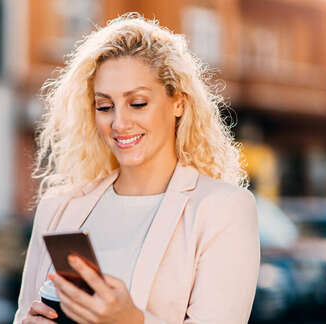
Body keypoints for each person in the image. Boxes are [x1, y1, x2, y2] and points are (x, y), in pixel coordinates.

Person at [14, 13, 260, 324]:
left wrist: (130, 320)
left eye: (138, 103)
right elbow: (26, 312)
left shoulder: (222, 208)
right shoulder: (59, 208)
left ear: (178, 103)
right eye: (104, 106)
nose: (119, 123)